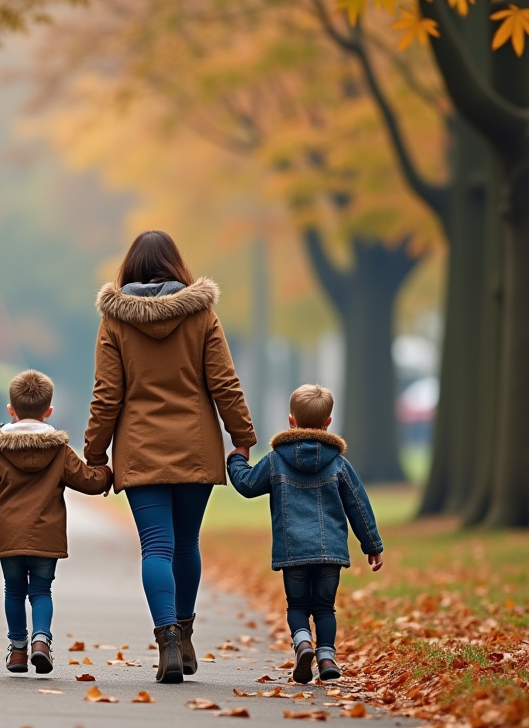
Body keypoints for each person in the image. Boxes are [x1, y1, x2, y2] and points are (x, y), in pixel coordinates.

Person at [85, 231, 256, 684]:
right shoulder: (202, 315)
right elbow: (224, 382)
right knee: (185, 543)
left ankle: (168, 640)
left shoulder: (115, 321)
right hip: (195, 447)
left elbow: (107, 395)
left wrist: (95, 452)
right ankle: (185, 630)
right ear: (175, 265)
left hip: (141, 450)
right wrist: (242, 437)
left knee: (155, 546)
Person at [226, 384, 384, 683]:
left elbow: (247, 485)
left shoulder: (276, 460)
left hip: (293, 552)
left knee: (297, 605)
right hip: (330, 553)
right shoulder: (339, 463)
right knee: (325, 607)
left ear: (291, 420)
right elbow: (359, 505)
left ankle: (302, 643)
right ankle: (326, 656)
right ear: (328, 423)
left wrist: (236, 459)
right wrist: (372, 544)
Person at [0, 370, 112, 675]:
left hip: (9, 536)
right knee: (41, 591)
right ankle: (41, 640)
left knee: (14, 591)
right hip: (47, 535)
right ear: (49, 412)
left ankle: (18, 651)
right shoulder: (59, 451)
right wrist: (107, 473)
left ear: (10, 410)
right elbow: (88, 481)